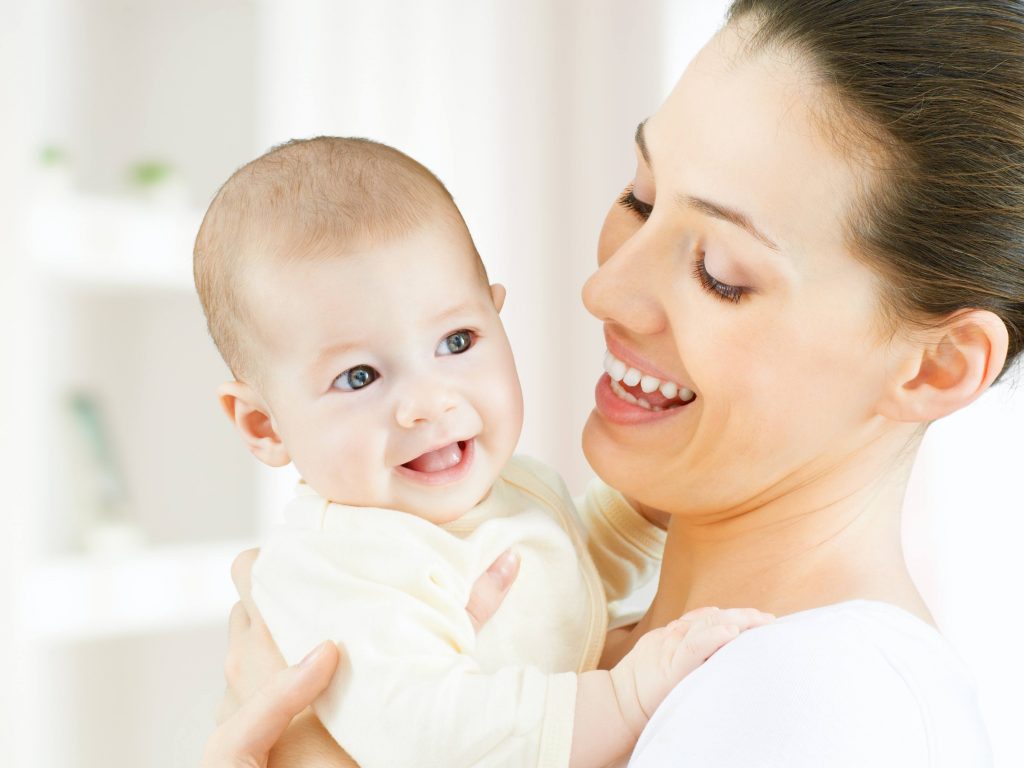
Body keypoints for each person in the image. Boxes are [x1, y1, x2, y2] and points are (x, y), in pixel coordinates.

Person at [214, 0, 1024, 765]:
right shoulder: (603, 653)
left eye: (721, 273)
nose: (603, 291)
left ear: (935, 366)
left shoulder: (821, 703)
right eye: (639, 199)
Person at [193, 136, 771, 768]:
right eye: (360, 376)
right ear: (263, 425)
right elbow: (434, 734)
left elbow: (560, 590)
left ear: (498, 318)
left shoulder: (512, 489)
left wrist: (639, 514)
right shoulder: (345, 565)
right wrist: (625, 697)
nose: (429, 401)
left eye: (457, 340)